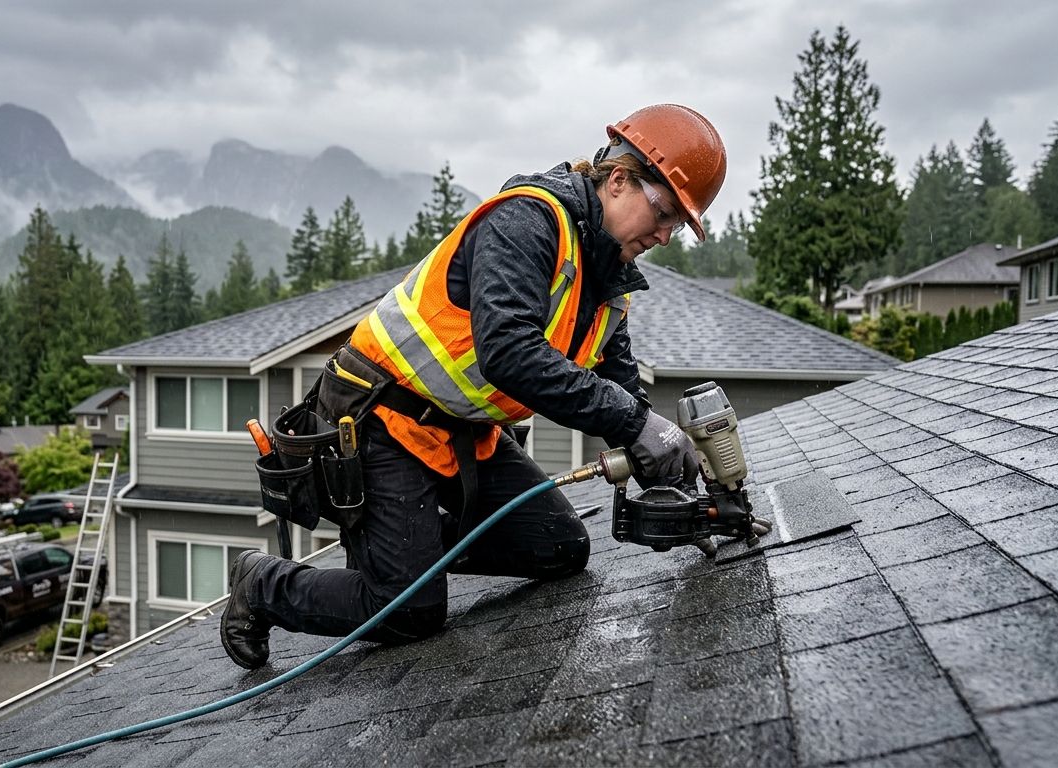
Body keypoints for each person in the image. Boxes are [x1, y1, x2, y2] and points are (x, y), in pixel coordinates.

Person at [222, 104, 728, 669]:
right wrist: (634, 425)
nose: (664, 235)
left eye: (677, 226)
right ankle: (261, 584)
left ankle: (402, 548)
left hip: (463, 432)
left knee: (561, 548)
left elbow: (619, 382)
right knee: (407, 610)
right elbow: (509, 354)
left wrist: (669, 462)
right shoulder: (528, 221)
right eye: (663, 213)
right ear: (618, 180)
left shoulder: (609, 279)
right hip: (378, 419)